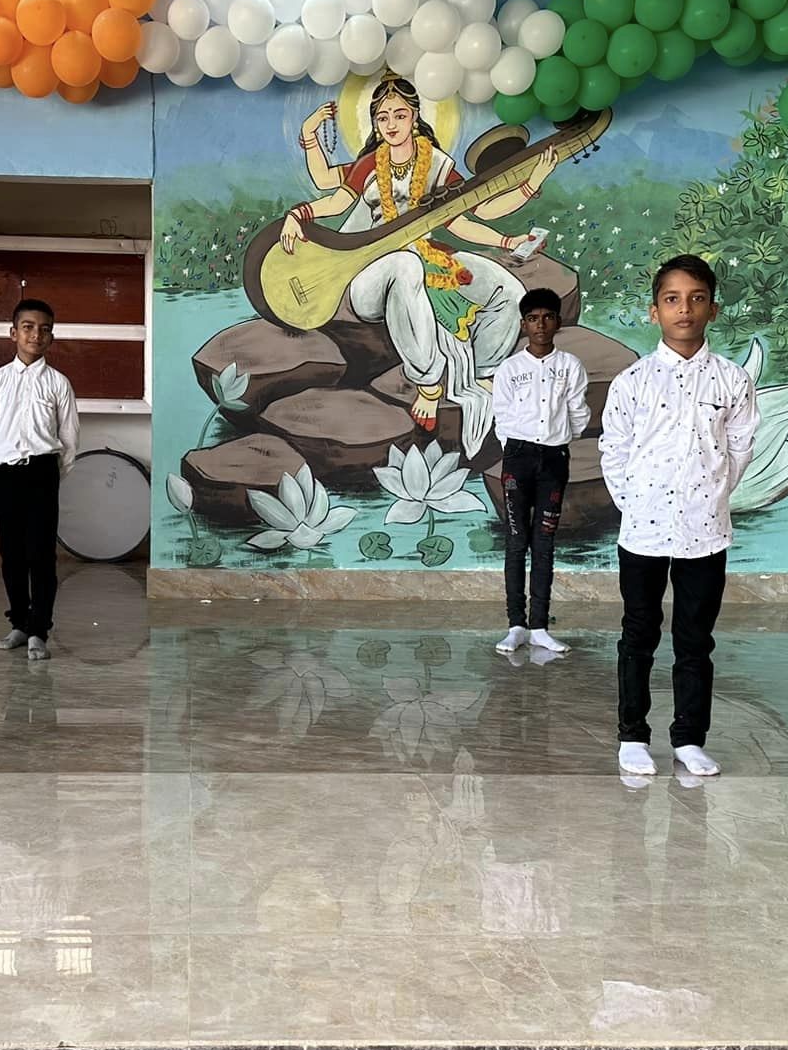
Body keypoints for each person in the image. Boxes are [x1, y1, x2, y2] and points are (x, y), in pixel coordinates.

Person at [280, 77, 562, 455]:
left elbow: (472, 214)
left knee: (506, 287)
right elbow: (333, 200)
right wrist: (298, 215)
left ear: (414, 117)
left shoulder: (437, 165)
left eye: (399, 115)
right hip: (370, 273)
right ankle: (428, 383)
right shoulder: (369, 165)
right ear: (375, 124)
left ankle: (484, 372)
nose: (391, 124)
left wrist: (514, 225)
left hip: (429, 259)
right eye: (383, 118)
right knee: (405, 263)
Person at [598, 254, 758, 778]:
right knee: (638, 634)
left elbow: (738, 450)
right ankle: (632, 735)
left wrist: (709, 496)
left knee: (695, 640)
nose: (684, 309)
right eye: (672, 299)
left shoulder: (732, 381)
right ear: (654, 312)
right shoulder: (633, 382)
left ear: (713, 309)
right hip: (642, 530)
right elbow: (614, 452)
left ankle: (689, 738)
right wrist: (636, 504)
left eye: (696, 299)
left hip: (705, 531)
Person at [489, 287, 589, 655]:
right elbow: (501, 415)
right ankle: (515, 625)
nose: (540, 325)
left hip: (554, 460)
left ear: (558, 322)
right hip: (517, 459)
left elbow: (578, 413)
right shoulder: (510, 369)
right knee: (517, 542)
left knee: (544, 543)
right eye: (533, 319)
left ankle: (540, 627)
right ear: (523, 325)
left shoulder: (570, 366)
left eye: (547, 317)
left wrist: (555, 441)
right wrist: (519, 449)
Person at [0, 298, 79, 662]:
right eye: (28, 327)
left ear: (51, 336)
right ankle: (19, 623)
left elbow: (69, 439)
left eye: (44, 329)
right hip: (6, 474)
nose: (36, 335)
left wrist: (47, 473)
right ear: (13, 333)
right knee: (11, 554)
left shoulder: (58, 384)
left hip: (42, 474)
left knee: (41, 555)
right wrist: (5, 466)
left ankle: (39, 630)